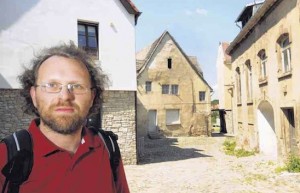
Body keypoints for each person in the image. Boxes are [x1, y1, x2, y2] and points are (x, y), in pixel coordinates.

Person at [0, 42, 130, 193]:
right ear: (34, 95)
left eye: (77, 86)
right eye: (52, 85)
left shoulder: (108, 148)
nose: (65, 96)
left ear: (92, 97)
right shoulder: (6, 156)